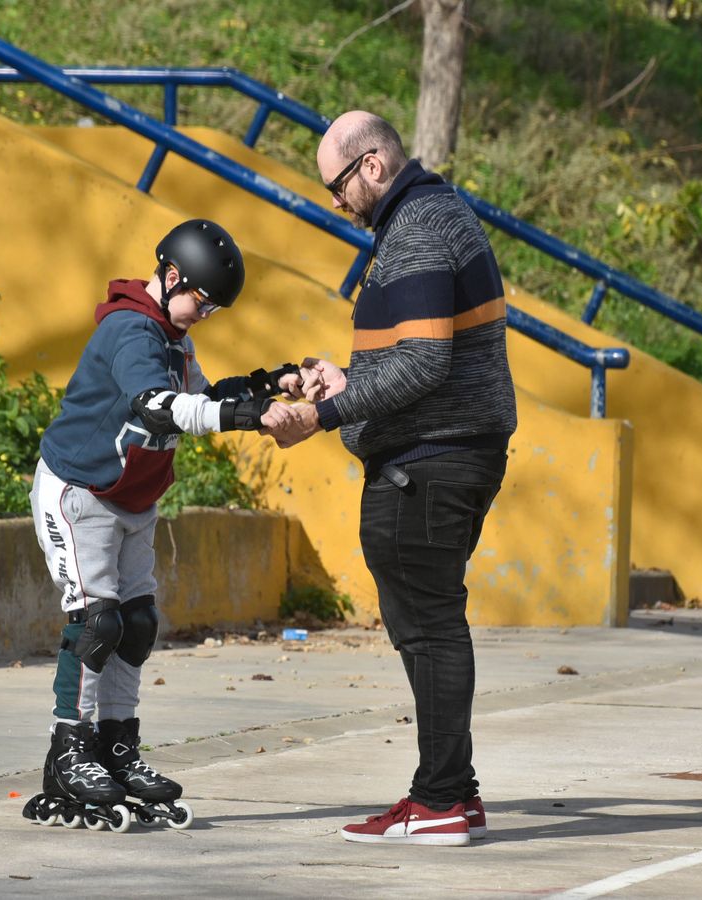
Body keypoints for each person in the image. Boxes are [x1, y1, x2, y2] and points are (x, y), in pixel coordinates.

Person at [267, 111, 517, 846]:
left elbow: (426, 363)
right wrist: (350, 378)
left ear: (372, 164)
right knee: (430, 623)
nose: (337, 202)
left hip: (428, 464)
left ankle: (439, 799)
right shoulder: (433, 217)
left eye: (337, 185)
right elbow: (420, 353)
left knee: (429, 628)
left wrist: (328, 413)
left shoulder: (416, 228)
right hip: (446, 453)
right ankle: (454, 794)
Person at [22, 218, 298, 831]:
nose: (205, 314)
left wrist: (264, 385)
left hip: (132, 498)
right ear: (171, 276)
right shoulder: (131, 329)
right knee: (98, 622)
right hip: (79, 491)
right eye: (202, 300)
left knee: (137, 624)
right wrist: (247, 417)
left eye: (213, 307)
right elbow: (159, 405)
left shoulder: (172, 337)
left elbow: (201, 392)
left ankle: (117, 746)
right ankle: (71, 748)